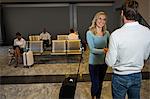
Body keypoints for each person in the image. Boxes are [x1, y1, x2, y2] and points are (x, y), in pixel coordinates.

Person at [105, 0, 150, 99]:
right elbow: (146, 56)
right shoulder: (147, 32)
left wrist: (108, 52)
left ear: (122, 13)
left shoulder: (116, 35)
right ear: (136, 13)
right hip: (137, 75)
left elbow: (110, 62)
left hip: (120, 77)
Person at [86, 11, 110, 99]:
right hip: (93, 64)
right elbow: (92, 50)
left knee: (100, 83)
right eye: (100, 18)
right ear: (96, 20)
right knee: (95, 83)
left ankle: (98, 97)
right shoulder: (89, 33)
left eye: (104, 19)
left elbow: (110, 46)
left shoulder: (107, 33)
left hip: (104, 63)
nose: (102, 21)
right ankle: (93, 96)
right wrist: (104, 50)